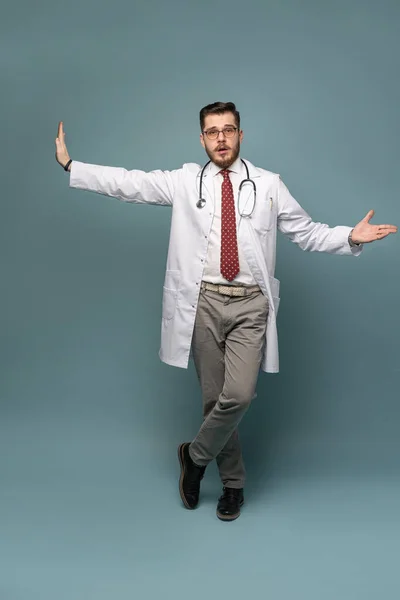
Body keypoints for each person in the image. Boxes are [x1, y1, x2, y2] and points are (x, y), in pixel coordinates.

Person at [55, 101, 397, 521]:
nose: (221, 138)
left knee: (238, 395)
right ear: (201, 138)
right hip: (201, 302)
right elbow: (131, 183)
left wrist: (351, 237)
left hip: (251, 304)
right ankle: (233, 486)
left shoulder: (269, 184)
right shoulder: (184, 181)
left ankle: (194, 457)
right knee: (214, 399)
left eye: (228, 130)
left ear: (240, 135)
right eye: (212, 131)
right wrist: (73, 166)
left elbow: (306, 233)